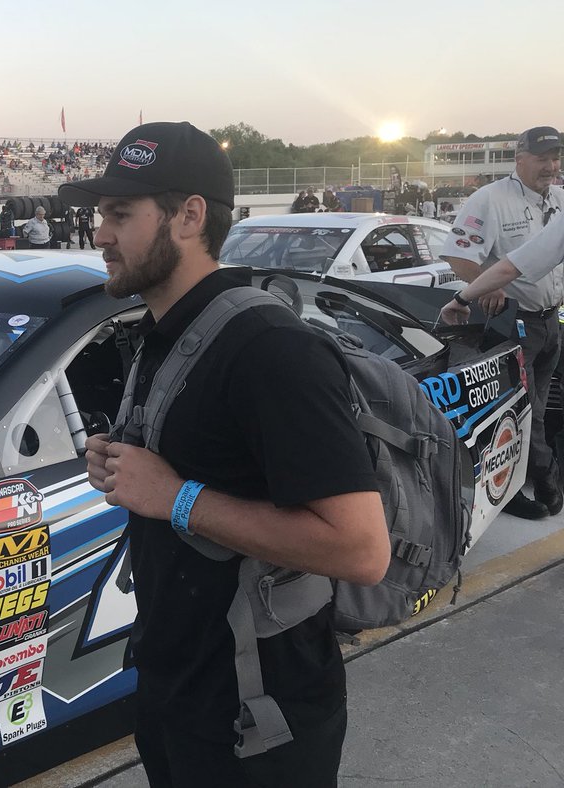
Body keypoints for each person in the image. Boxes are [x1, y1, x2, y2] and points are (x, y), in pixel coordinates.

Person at [60, 122, 388, 788]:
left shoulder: (269, 349)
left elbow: (361, 550)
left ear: (188, 216)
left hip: (259, 722)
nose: (99, 233)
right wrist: (124, 468)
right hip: (175, 689)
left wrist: (177, 497)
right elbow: (186, 469)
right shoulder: (162, 331)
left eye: (120, 214)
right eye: (101, 214)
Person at [440, 126, 564, 520]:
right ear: (519, 158)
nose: (550, 166)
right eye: (541, 158)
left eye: (555, 157)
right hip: (513, 324)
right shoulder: (491, 199)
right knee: (521, 412)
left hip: (550, 322)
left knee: (538, 409)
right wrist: (487, 288)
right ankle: (536, 487)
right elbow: (457, 257)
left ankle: (526, 480)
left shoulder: (559, 199)